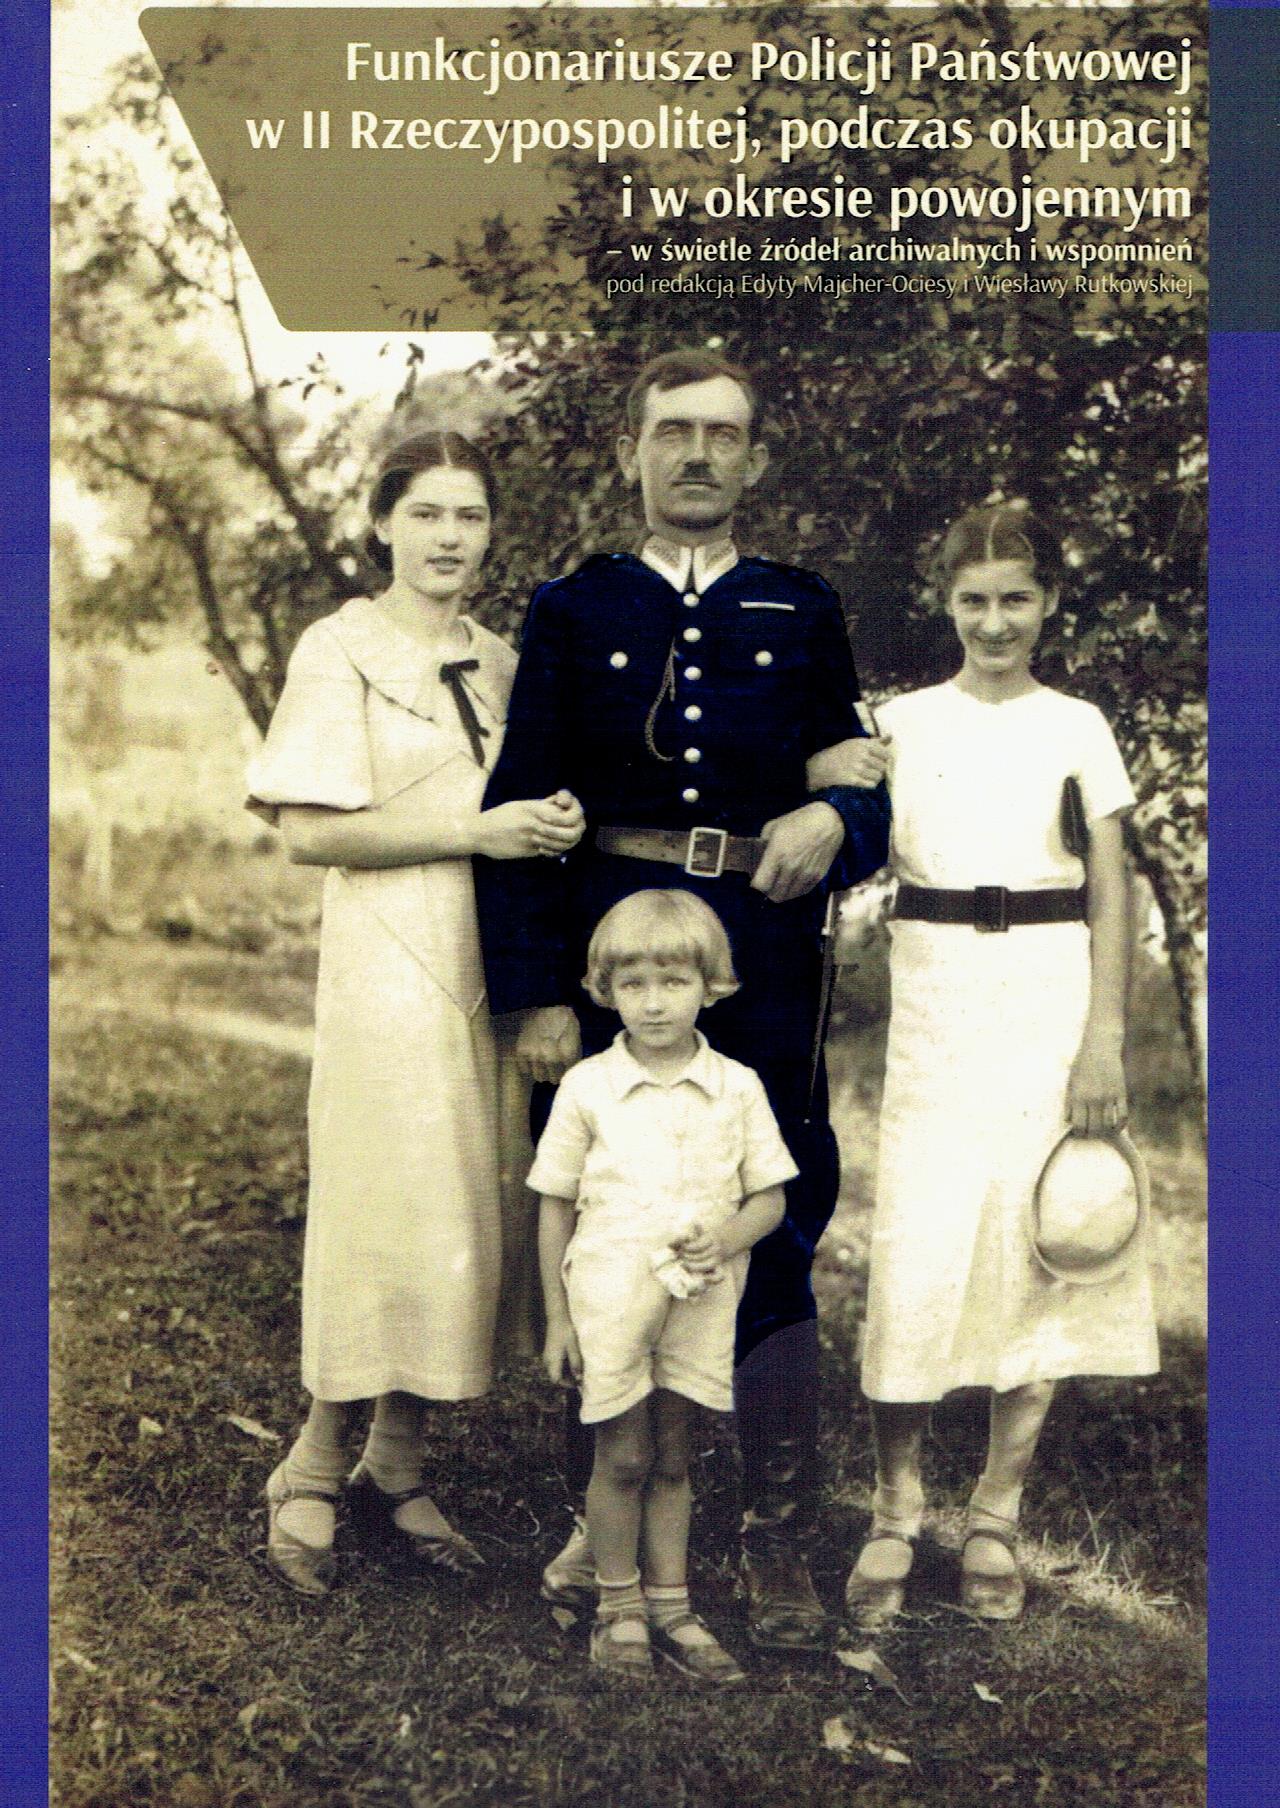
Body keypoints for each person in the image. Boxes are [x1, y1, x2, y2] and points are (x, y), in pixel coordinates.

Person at [475, 349, 891, 1648]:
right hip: (614, 957)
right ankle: (594, 1524)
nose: (697, 454)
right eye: (672, 432)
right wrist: (539, 998)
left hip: (760, 966)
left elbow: (864, 791)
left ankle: (777, 1544)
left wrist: (833, 820)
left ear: (754, 459)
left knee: (771, 1221)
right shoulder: (574, 605)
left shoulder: (800, 605)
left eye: (721, 433)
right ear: (631, 452)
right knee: (609, 1225)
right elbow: (518, 808)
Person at [246, 429, 584, 1596]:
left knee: (468, 1206)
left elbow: (530, 805)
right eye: (426, 512)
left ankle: (398, 1459)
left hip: (490, 956)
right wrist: (474, 830)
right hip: (387, 959)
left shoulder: (500, 660)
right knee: (381, 1201)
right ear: (382, 522)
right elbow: (308, 831)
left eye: (469, 515)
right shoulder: (337, 646)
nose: (448, 536)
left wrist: (550, 827)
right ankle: (310, 1462)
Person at [845, 501, 1159, 1629]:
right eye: (973, 600)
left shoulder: (1076, 724)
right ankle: (895, 1506)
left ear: (1048, 603)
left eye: (1015, 598)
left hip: (1047, 996)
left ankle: (995, 1510)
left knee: (1044, 1239)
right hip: (936, 998)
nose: (994, 621)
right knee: (920, 1246)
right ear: (944, 603)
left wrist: (1102, 1037)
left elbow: (1111, 887)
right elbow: (840, 837)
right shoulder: (899, 723)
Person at [532, 891, 795, 1681]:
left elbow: (771, 1199)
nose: (653, 1002)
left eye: (674, 982)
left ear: (710, 986)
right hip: (610, 1299)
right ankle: (618, 1608)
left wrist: (726, 1238)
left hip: (700, 1299)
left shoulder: (737, 1087)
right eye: (634, 984)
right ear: (605, 988)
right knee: (622, 1454)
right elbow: (554, 1206)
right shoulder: (587, 1087)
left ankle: (673, 1606)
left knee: (675, 1455)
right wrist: (558, 1322)